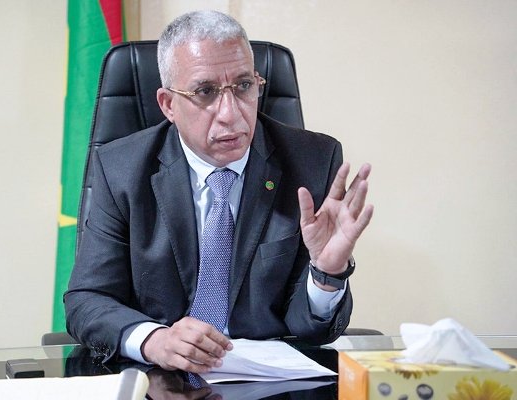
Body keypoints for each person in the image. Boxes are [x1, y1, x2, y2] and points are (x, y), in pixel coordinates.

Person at [64, 10, 373, 375]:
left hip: (272, 379)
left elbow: (310, 329)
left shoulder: (312, 163)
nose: (231, 114)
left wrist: (326, 273)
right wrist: (154, 340)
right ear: (168, 104)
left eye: (243, 86)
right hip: (158, 378)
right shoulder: (121, 168)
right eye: (205, 92)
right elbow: (87, 299)